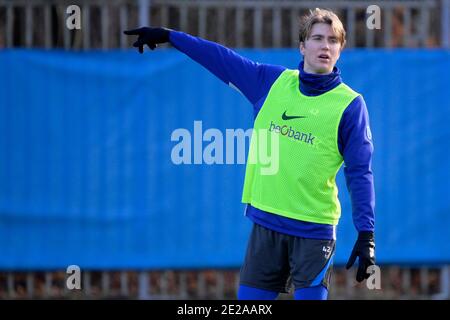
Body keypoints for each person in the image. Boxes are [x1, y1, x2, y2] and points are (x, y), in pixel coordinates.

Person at [124, 8, 375, 300]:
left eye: (333, 40)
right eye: (317, 38)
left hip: (314, 231)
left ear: (340, 49)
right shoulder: (271, 83)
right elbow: (221, 59)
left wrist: (366, 233)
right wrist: (170, 36)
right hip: (265, 227)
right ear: (302, 46)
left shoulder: (350, 105)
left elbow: (359, 172)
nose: (325, 46)